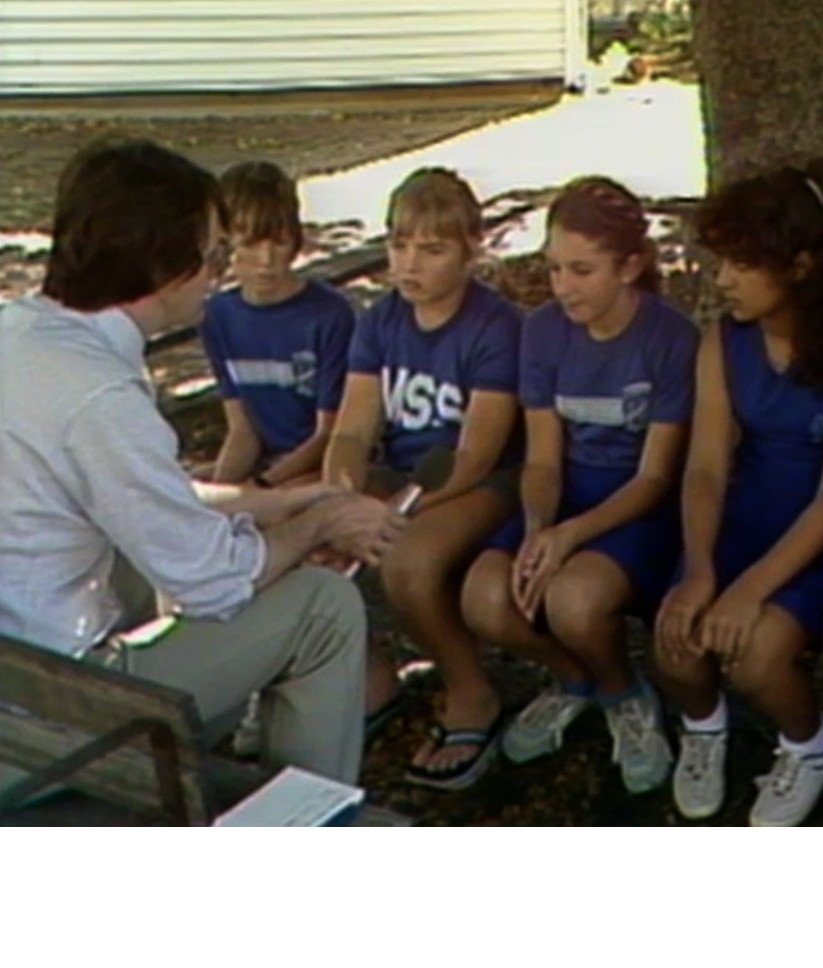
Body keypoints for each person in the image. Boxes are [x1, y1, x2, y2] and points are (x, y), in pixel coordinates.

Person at [0, 141, 383, 785]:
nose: (220, 274)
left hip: (22, 667)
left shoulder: (21, 334)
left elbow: (130, 496)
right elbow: (214, 579)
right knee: (324, 606)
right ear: (162, 267)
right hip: (43, 720)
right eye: (212, 256)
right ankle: (305, 823)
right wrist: (323, 523)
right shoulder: (99, 395)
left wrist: (269, 503)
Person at [653, 165, 823, 825]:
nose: (722, 278)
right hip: (745, 518)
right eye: (720, 261)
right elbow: (705, 467)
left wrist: (748, 590)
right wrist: (702, 569)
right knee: (675, 637)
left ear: (798, 266)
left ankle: (808, 743)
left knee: (755, 653)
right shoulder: (722, 341)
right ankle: (705, 731)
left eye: (740, 263)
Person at [462, 175, 699, 795]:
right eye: (555, 268)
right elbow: (543, 459)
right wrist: (540, 529)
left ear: (630, 266)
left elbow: (655, 477)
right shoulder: (542, 331)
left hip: (637, 511)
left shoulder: (670, 339)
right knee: (487, 596)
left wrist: (571, 538)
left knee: (574, 600)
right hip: (564, 498)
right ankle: (575, 680)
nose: (562, 286)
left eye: (582, 270)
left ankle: (625, 693)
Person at [323, 167, 523, 790]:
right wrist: (341, 495)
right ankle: (375, 681)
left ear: (471, 251)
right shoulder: (380, 321)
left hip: (481, 482)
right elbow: (353, 430)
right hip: (407, 474)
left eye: (432, 250)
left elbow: (476, 454)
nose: (411, 264)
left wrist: (396, 512)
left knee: (407, 560)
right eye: (399, 245)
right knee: (313, 536)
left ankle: (471, 693)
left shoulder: (495, 328)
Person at [200, 160, 356, 488]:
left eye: (279, 242)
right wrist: (218, 492)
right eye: (250, 244)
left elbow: (329, 434)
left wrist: (261, 488)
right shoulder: (217, 316)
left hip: (319, 466)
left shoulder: (329, 316)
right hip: (265, 463)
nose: (266, 261)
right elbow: (243, 431)